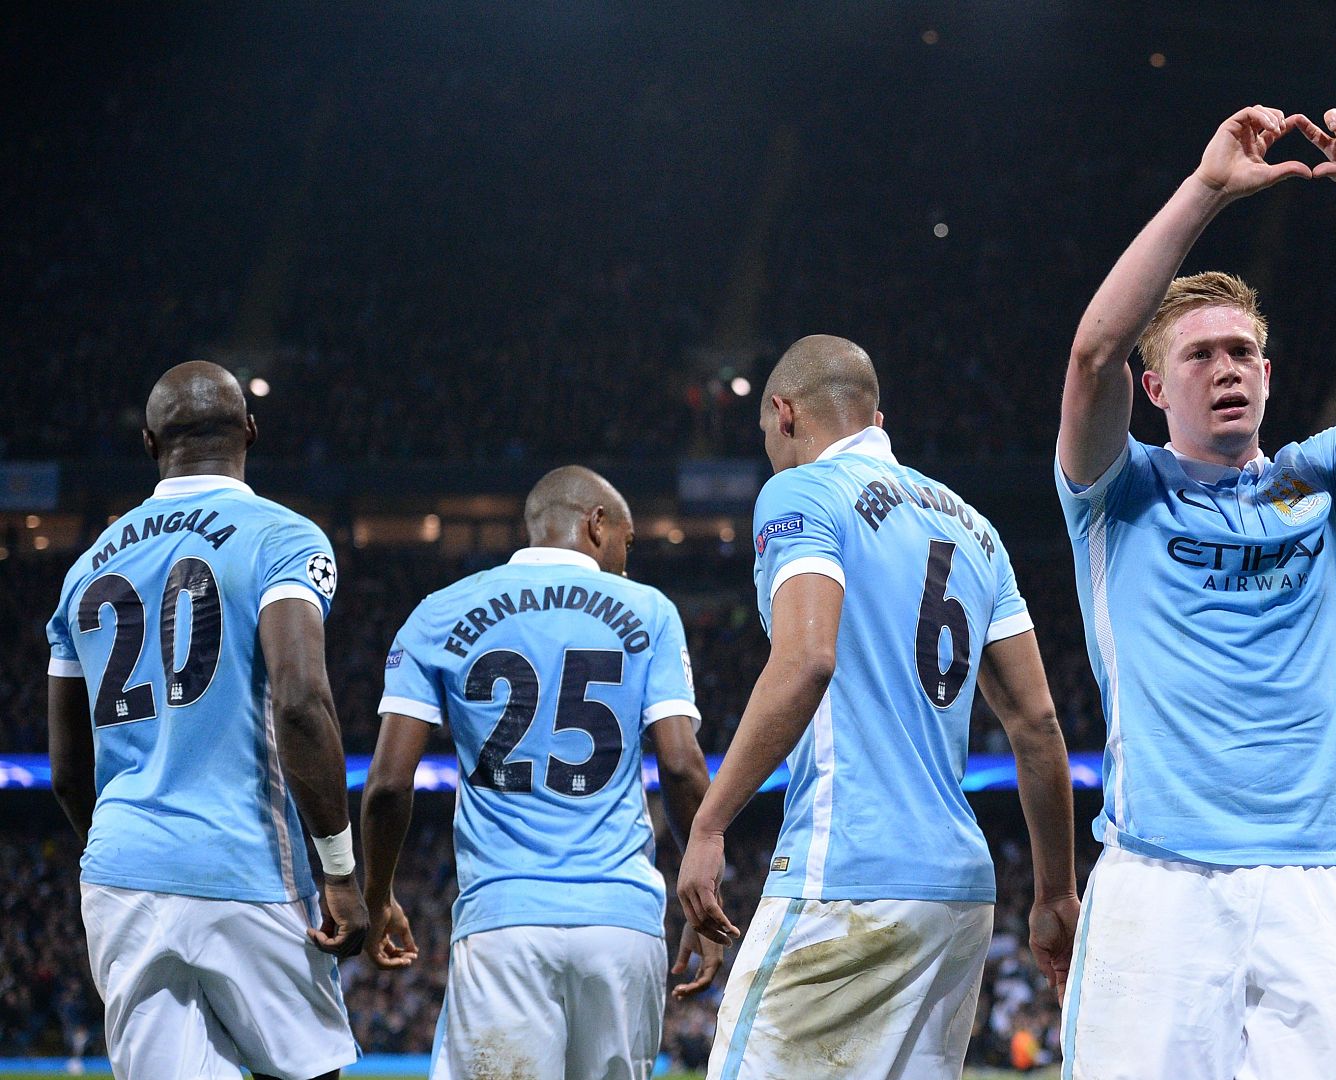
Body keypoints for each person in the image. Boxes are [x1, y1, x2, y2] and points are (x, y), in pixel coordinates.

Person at [1054, 104, 1336, 1078]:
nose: (1225, 369)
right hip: (1158, 876)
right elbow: (1089, 355)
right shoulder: (1118, 494)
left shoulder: (1316, 482)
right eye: (1198, 355)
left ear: (1268, 373)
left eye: (1240, 352)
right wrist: (1204, 191)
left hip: (1311, 874)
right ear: (1154, 390)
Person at [677, 335, 1079, 1080]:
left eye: (768, 433)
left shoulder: (800, 492)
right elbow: (1038, 723)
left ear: (783, 412)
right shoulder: (975, 527)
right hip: (958, 899)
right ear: (876, 419)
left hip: (849, 872)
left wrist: (708, 822)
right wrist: (1056, 891)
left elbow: (806, 660)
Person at [45, 361, 366, 1080]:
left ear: (150, 443)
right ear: (250, 430)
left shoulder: (85, 567)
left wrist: (131, 848)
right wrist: (341, 875)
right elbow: (301, 703)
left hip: (123, 872)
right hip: (244, 864)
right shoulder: (284, 538)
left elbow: (69, 772)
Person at [362, 465, 722, 1080]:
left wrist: (376, 896)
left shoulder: (440, 612)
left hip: (504, 921)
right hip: (621, 922)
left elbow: (390, 784)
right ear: (596, 523)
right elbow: (684, 767)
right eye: (628, 545)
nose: (627, 564)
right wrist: (704, 905)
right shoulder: (650, 611)